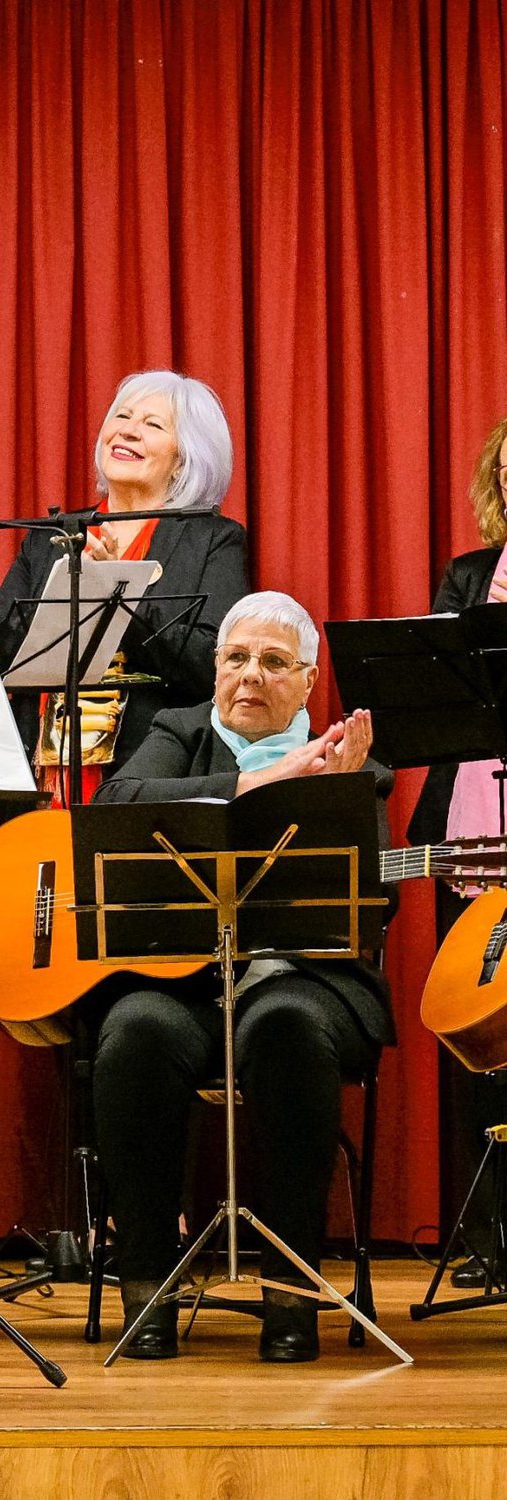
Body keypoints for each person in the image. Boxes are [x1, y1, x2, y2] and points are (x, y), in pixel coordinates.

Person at [89, 591, 389, 1363]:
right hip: (185, 985)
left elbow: (370, 903)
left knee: (284, 1028)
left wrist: (328, 786)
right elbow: (118, 802)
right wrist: (267, 779)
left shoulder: (358, 764)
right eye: (235, 658)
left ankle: (291, 1296)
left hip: (305, 980)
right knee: (134, 1031)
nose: (249, 675)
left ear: (310, 680)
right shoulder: (176, 731)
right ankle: (147, 1288)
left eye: (273, 661)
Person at [0, 370, 250, 805]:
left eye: (153, 425)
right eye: (122, 415)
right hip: (37, 792)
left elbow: (214, 666)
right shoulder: (50, 537)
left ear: (185, 458)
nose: (128, 430)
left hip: (149, 786)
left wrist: (118, 595)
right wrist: (62, 600)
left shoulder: (212, 539)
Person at [405, 411, 507, 1285]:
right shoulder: (470, 576)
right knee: (477, 1031)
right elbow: (434, 696)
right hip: (472, 823)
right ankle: (484, 1238)